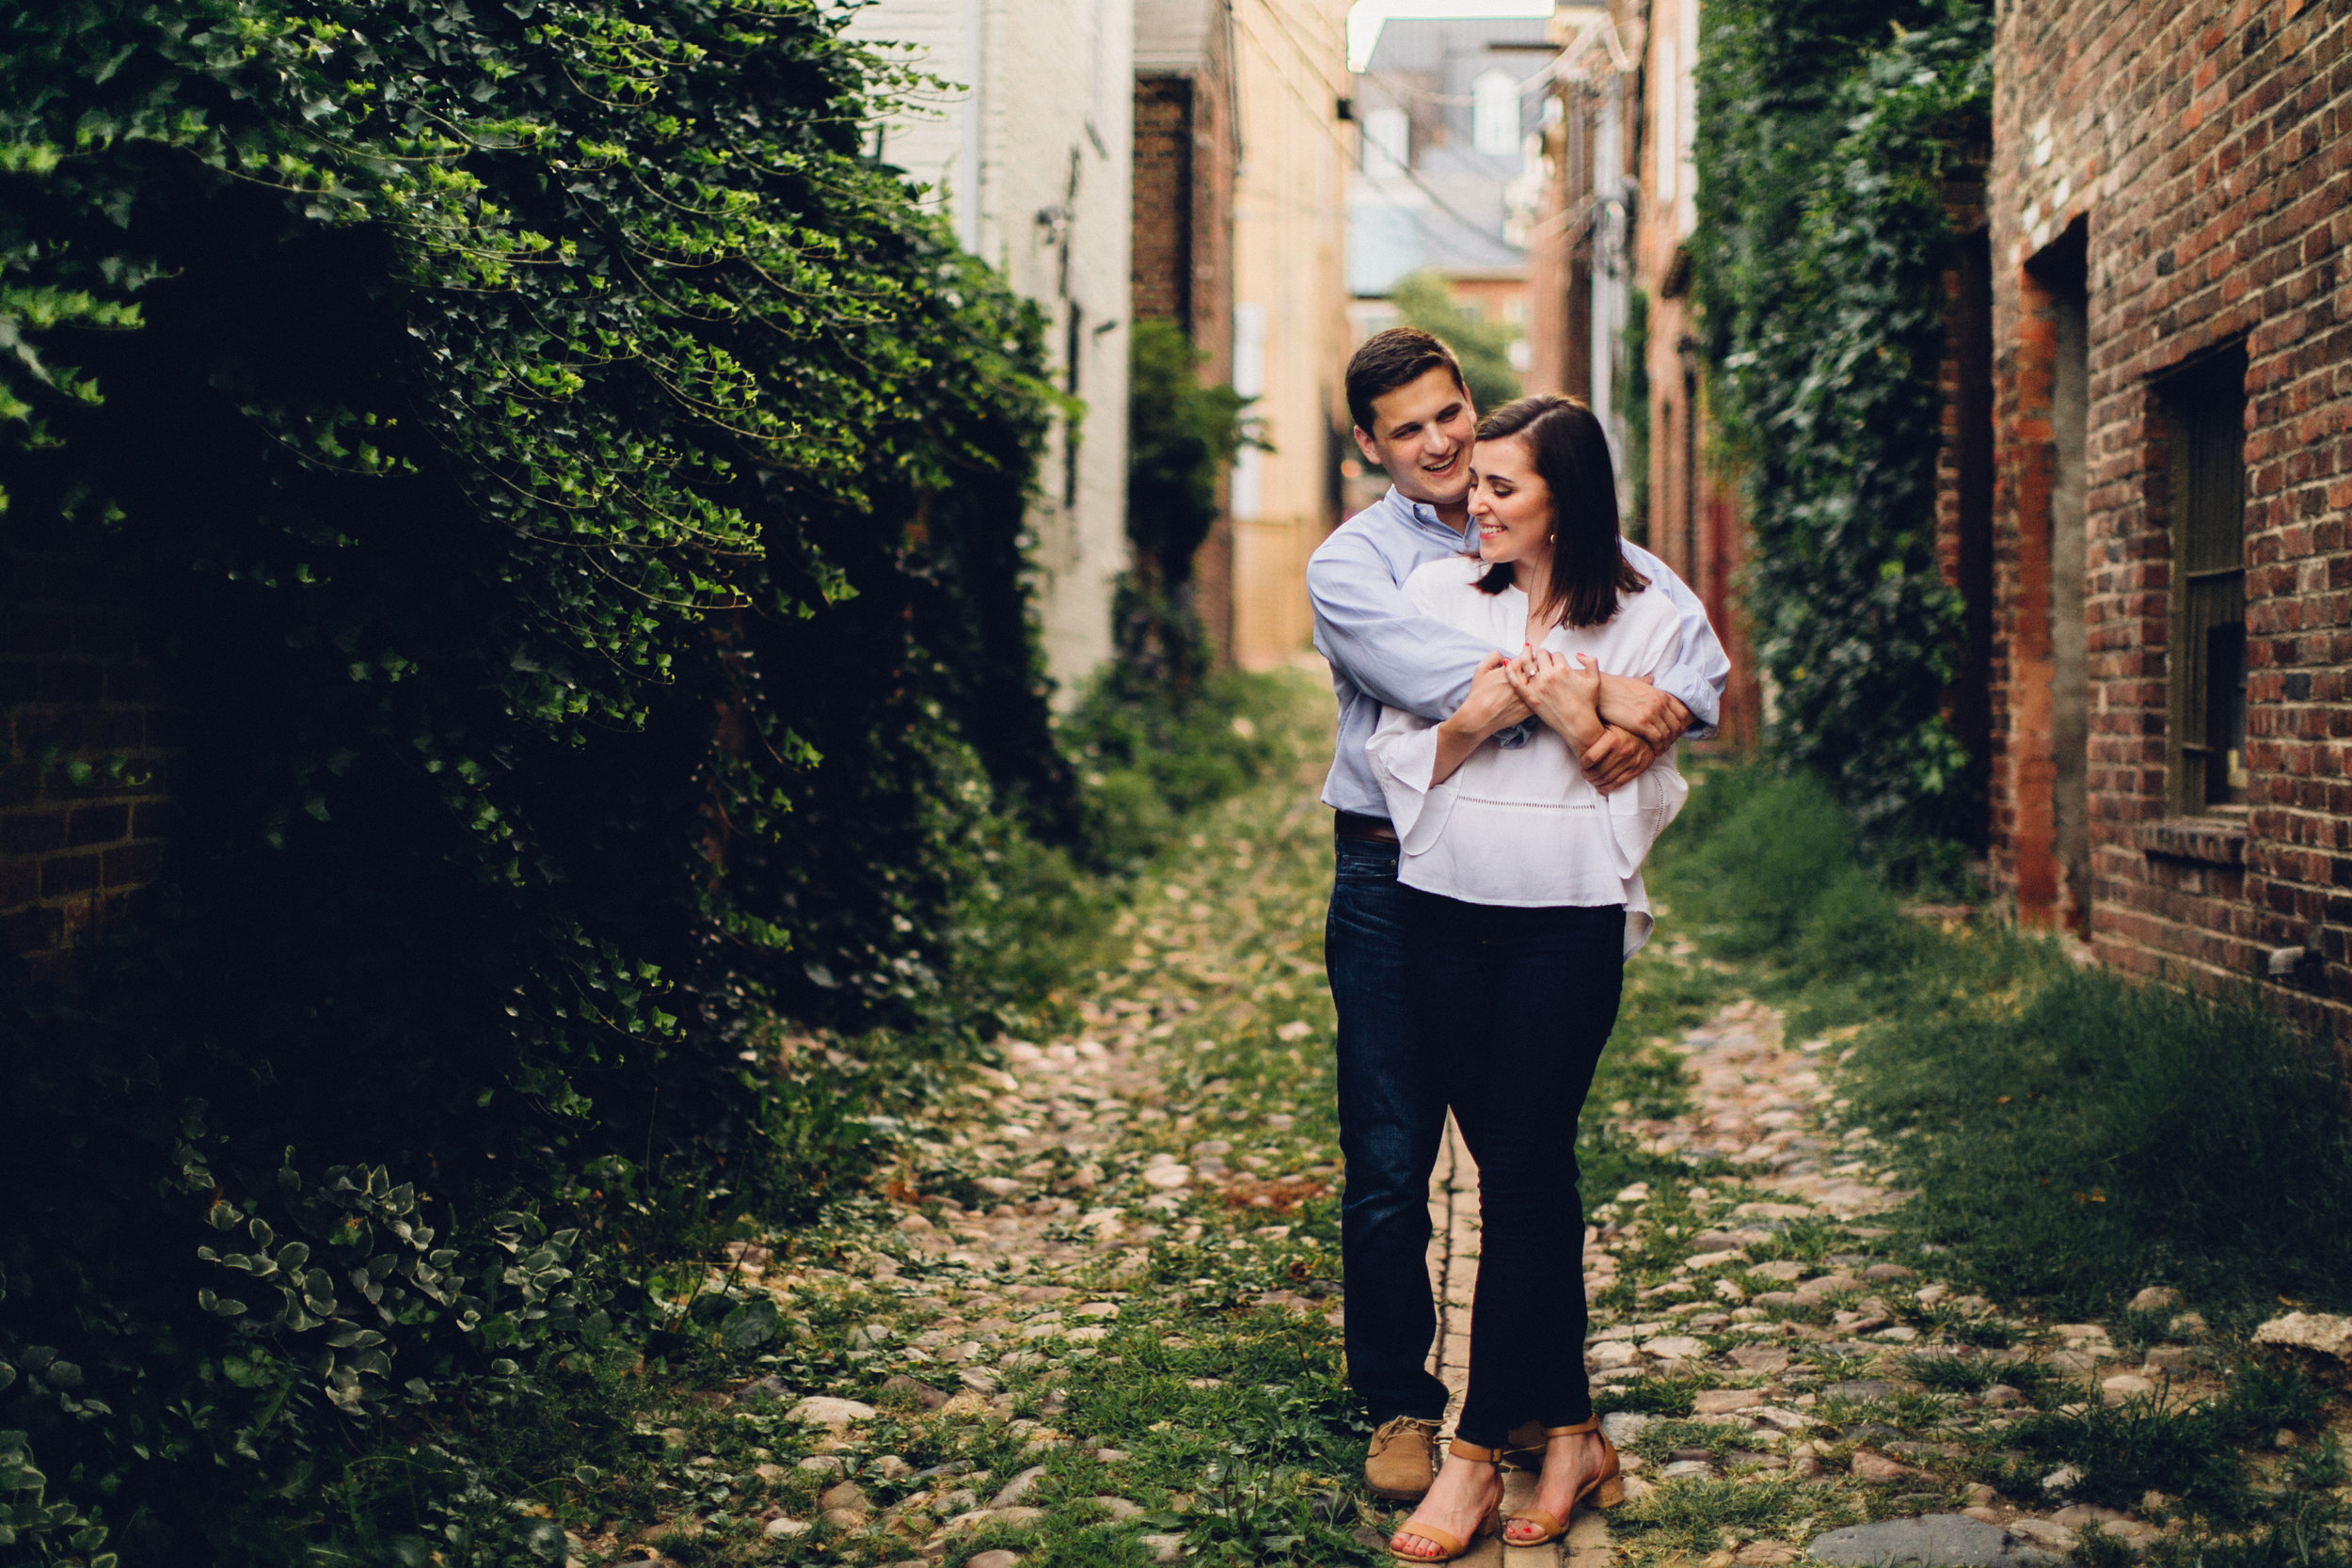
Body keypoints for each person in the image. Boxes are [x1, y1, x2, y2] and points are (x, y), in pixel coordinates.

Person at [1308, 330, 1727, 1510]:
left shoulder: (1544, 519)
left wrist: (1664, 709)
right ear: (1369, 446)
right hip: (1396, 871)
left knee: (1522, 1154)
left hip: (1543, 889)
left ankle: (1544, 1412)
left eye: (1453, 414)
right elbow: (1455, 686)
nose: (1441, 443)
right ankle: (1403, 1401)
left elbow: (1691, 666)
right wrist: (1595, 689)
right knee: (1392, 1155)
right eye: (1410, 429)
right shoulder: (1364, 567)